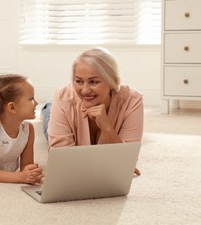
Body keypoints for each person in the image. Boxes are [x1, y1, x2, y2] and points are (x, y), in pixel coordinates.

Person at [44, 47, 143, 175]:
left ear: (112, 81)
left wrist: (107, 127)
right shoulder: (62, 97)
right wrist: (113, 162)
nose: (85, 90)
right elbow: (61, 158)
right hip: (58, 106)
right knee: (48, 113)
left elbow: (128, 160)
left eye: (93, 82)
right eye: (79, 81)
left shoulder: (132, 100)